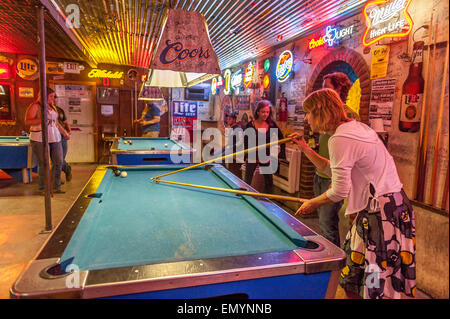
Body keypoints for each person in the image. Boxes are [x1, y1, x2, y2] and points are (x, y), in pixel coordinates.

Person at [290, 88, 416, 299]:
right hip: (387, 207)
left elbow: (339, 190)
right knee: (353, 279)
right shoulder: (355, 128)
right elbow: (332, 169)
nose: (307, 118)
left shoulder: (339, 138)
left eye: (309, 112)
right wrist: (304, 148)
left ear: (321, 111)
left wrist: (312, 203)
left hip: (382, 213)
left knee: (373, 282)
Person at [309, 72, 356, 247]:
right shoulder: (325, 114)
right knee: (323, 222)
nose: (322, 91)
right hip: (320, 172)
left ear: (339, 89)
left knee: (328, 224)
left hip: (333, 176)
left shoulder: (349, 115)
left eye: (326, 87)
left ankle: (332, 265)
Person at [25, 88, 68, 194]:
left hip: (55, 137)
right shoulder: (35, 106)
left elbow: (56, 123)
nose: (53, 98)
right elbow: (27, 121)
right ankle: (43, 188)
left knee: (58, 161)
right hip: (39, 138)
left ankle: (55, 187)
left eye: (53, 96)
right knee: (44, 163)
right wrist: (42, 119)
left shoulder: (52, 107)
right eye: (51, 96)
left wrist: (65, 133)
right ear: (43, 95)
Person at [244, 100, 286, 194]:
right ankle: (244, 198)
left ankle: (268, 202)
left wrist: (282, 153)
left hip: (265, 157)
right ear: (258, 112)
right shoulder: (250, 125)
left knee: (269, 183)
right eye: (263, 112)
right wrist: (245, 155)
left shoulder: (271, 125)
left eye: (267, 112)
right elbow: (244, 142)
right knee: (247, 182)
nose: (265, 114)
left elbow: (281, 138)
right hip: (252, 157)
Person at [222, 112, 243, 177]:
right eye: (227, 119)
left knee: (220, 158)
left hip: (236, 150)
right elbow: (230, 141)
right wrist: (227, 146)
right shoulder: (231, 129)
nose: (228, 120)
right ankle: (223, 172)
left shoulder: (238, 129)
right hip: (230, 148)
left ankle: (224, 173)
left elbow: (240, 142)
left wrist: (231, 147)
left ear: (234, 120)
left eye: (230, 119)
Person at [55, 104, 72, 183]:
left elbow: (65, 122)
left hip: (62, 137)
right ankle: (56, 180)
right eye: (52, 97)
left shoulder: (60, 110)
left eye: (55, 97)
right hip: (53, 137)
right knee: (57, 159)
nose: (54, 99)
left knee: (61, 159)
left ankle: (67, 169)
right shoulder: (47, 110)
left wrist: (68, 131)